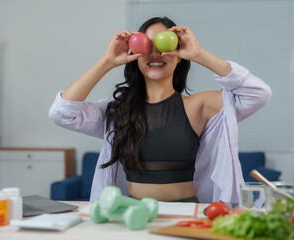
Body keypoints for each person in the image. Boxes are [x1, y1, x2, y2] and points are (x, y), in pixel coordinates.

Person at [49, 17, 272, 204]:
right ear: (135, 55)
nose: (155, 54)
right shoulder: (117, 110)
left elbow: (259, 93)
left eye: (164, 45)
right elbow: (61, 114)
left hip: (184, 212)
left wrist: (199, 54)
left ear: (179, 57)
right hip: (132, 213)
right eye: (146, 46)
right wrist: (106, 62)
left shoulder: (199, 106)